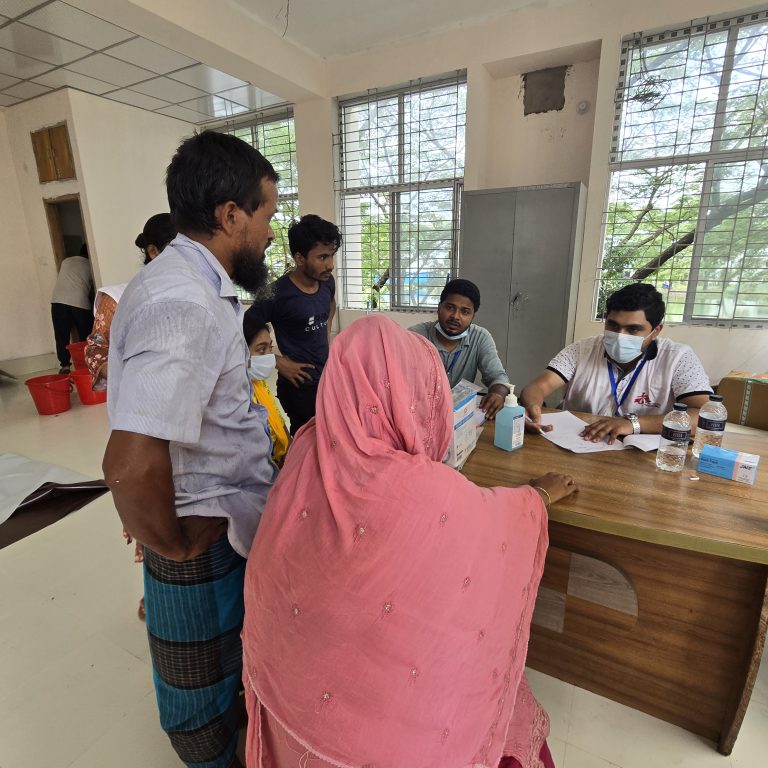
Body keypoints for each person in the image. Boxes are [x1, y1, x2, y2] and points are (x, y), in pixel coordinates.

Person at [242, 314, 577, 768]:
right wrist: (536, 497)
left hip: (291, 697)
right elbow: (495, 527)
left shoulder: (308, 444)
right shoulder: (419, 488)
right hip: (386, 737)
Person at [102, 130, 279, 768]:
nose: (267, 236)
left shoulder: (185, 287)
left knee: (223, 665)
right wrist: (167, 540)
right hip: (198, 540)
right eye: (266, 218)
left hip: (212, 522)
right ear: (231, 216)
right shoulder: (183, 304)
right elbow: (127, 460)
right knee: (196, 701)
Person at [520, 283, 713, 444]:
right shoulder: (582, 350)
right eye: (612, 325)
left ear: (656, 330)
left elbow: (706, 416)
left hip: (641, 459)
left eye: (633, 329)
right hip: (579, 443)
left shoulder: (678, 358)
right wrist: (532, 410)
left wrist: (632, 424)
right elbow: (538, 387)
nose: (620, 336)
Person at [244, 214, 341, 435]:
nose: (330, 265)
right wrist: (277, 361)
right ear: (299, 258)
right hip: (298, 386)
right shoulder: (277, 294)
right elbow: (243, 328)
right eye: (322, 257)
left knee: (332, 435)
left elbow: (329, 308)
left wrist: (327, 338)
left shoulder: (327, 283)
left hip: (326, 378)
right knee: (307, 441)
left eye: (332, 256)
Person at [84, 213, 175, 389]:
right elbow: (95, 349)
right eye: (176, 250)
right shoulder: (118, 299)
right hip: (137, 398)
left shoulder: (193, 294)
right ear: (153, 251)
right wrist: (128, 373)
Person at [410, 278, 511, 419]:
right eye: (450, 307)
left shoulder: (480, 337)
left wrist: (498, 393)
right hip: (419, 413)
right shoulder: (416, 336)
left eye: (465, 312)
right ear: (439, 307)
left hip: (459, 417)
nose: (455, 317)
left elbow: (498, 377)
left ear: (473, 316)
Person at [243, 315, 290, 467]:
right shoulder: (236, 398)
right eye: (261, 350)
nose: (269, 356)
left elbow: (277, 419)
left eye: (269, 348)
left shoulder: (259, 384)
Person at [50, 243, 94, 374]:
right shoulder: (91, 265)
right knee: (85, 335)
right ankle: (87, 364)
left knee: (61, 335)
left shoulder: (66, 261)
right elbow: (91, 289)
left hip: (58, 300)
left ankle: (65, 365)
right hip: (79, 302)